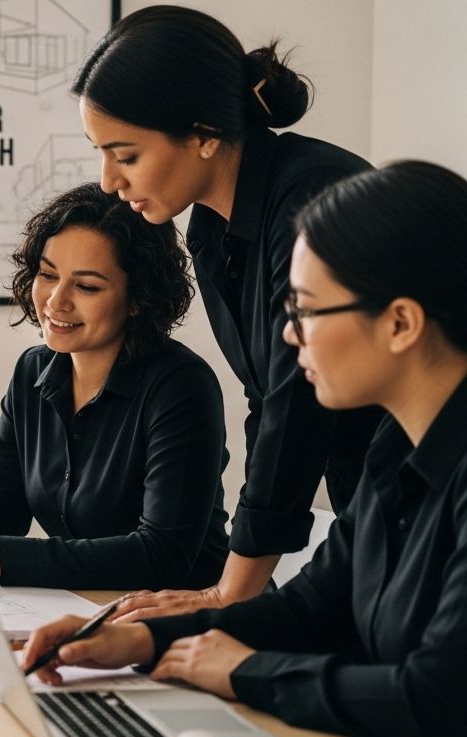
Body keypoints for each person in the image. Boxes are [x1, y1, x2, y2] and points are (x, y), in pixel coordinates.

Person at [22, 161, 467, 737]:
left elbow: (438, 699)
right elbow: (308, 611)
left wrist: (242, 673)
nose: (288, 334)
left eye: (306, 310)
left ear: (401, 323)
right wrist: (138, 640)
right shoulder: (394, 447)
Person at [72, 5, 383, 620]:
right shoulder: (211, 226)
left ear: (205, 136)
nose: (108, 181)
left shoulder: (311, 200)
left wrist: (232, 593)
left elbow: (296, 406)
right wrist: (239, 583)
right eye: (101, 153)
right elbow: (267, 401)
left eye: (126, 156)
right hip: (370, 498)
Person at [0, 183, 229, 590]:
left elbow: (163, 554)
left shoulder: (180, 385)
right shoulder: (32, 371)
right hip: (87, 608)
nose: (56, 301)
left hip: (190, 618)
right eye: (47, 274)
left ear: (139, 297)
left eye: (86, 286)